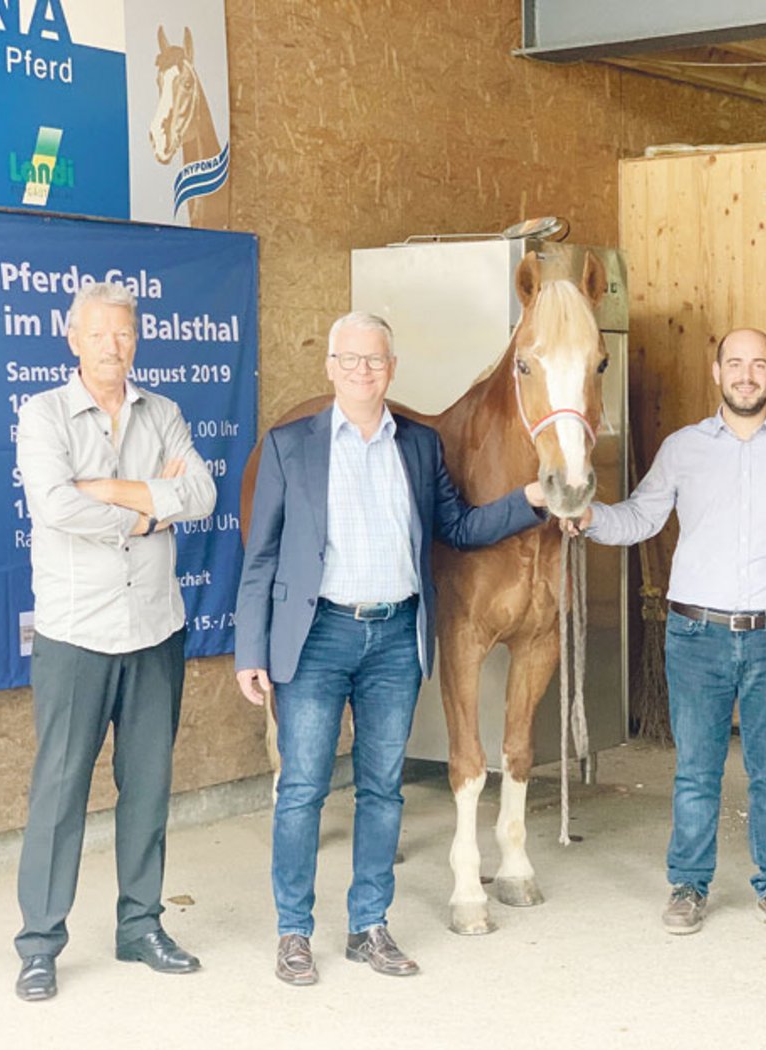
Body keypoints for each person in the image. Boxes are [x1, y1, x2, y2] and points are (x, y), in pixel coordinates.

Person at [234, 311, 546, 987]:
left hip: (394, 638)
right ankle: (294, 931)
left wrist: (531, 499)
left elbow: (459, 527)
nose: (362, 372)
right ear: (330, 366)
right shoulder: (291, 446)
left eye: (375, 361)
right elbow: (259, 560)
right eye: (350, 361)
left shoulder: (420, 448)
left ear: (391, 370)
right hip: (315, 637)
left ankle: (370, 925)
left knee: (382, 790)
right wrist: (249, 649)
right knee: (303, 790)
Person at [566, 327, 766, 937]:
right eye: (735, 363)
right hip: (696, 636)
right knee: (696, 769)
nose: (747, 374)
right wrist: (589, 518)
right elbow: (641, 517)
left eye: (759, 363)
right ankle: (688, 886)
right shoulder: (682, 449)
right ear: (715, 370)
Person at [12, 281, 217, 1002]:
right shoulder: (42, 416)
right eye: (98, 333)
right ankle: (39, 943)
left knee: (149, 787)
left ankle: (141, 926)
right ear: (73, 339)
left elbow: (202, 495)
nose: (112, 345)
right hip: (76, 635)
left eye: (123, 333)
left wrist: (111, 489)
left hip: (155, 628)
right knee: (60, 791)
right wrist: (148, 509)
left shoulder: (163, 411)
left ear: (136, 339)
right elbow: (55, 505)